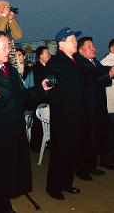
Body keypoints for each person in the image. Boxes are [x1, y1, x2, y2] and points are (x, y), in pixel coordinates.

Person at [0, 30, 51, 213]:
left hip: (15, 129)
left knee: (6, 174)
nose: (9, 51)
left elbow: (23, 98)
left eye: (9, 47)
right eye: (4, 47)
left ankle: (4, 207)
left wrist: (41, 89)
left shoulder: (10, 70)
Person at [45, 27, 86, 200]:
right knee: (60, 152)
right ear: (62, 43)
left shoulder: (75, 60)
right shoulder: (55, 62)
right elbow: (52, 90)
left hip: (76, 114)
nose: (76, 42)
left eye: (76, 39)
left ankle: (66, 183)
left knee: (71, 150)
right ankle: (53, 187)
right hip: (63, 116)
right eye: (72, 39)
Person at [74, 37, 114, 175]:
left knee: (95, 137)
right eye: (90, 47)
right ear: (81, 50)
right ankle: (82, 170)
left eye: (94, 46)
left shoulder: (94, 62)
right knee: (86, 139)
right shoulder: (79, 62)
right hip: (87, 106)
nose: (94, 48)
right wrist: (109, 75)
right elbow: (90, 80)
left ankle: (92, 167)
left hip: (98, 105)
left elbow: (103, 72)